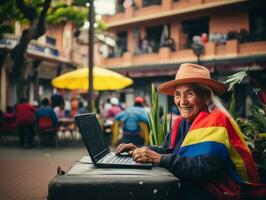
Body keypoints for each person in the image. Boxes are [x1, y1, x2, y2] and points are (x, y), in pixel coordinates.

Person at [116, 63, 264, 200]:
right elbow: (169, 150)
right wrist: (142, 150)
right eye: (178, 94)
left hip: (219, 191)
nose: (182, 101)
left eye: (189, 93)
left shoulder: (217, 120)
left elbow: (204, 168)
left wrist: (158, 158)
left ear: (205, 96)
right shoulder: (181, 122)